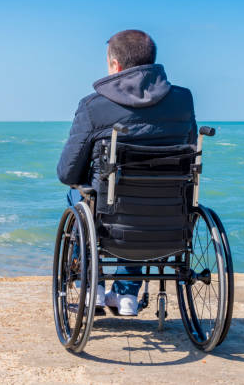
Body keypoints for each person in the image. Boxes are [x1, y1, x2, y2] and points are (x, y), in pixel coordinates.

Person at [57, 29, 197, 315]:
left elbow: (67, 173)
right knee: (145, 196)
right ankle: (126, 295)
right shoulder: (183, 100)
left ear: (115, 66)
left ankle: (91, 287)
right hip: (169, 217)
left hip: (113, 219)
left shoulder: (93, 106)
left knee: (81, 198)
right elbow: (191, 148)